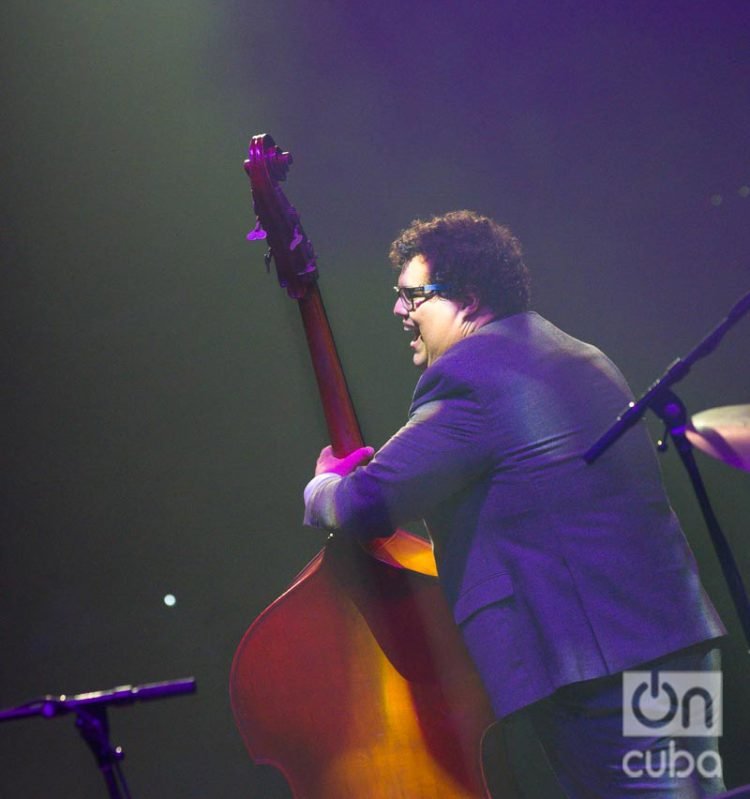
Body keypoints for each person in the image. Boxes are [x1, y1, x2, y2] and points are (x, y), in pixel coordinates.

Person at [303, 210, 726, 798]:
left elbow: (364, 503)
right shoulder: (583, 356)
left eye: (413, 296)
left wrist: (321, 484)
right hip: (673, 641)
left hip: (596, 668)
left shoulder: (470, 376)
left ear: (469, 300)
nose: (399, 311)